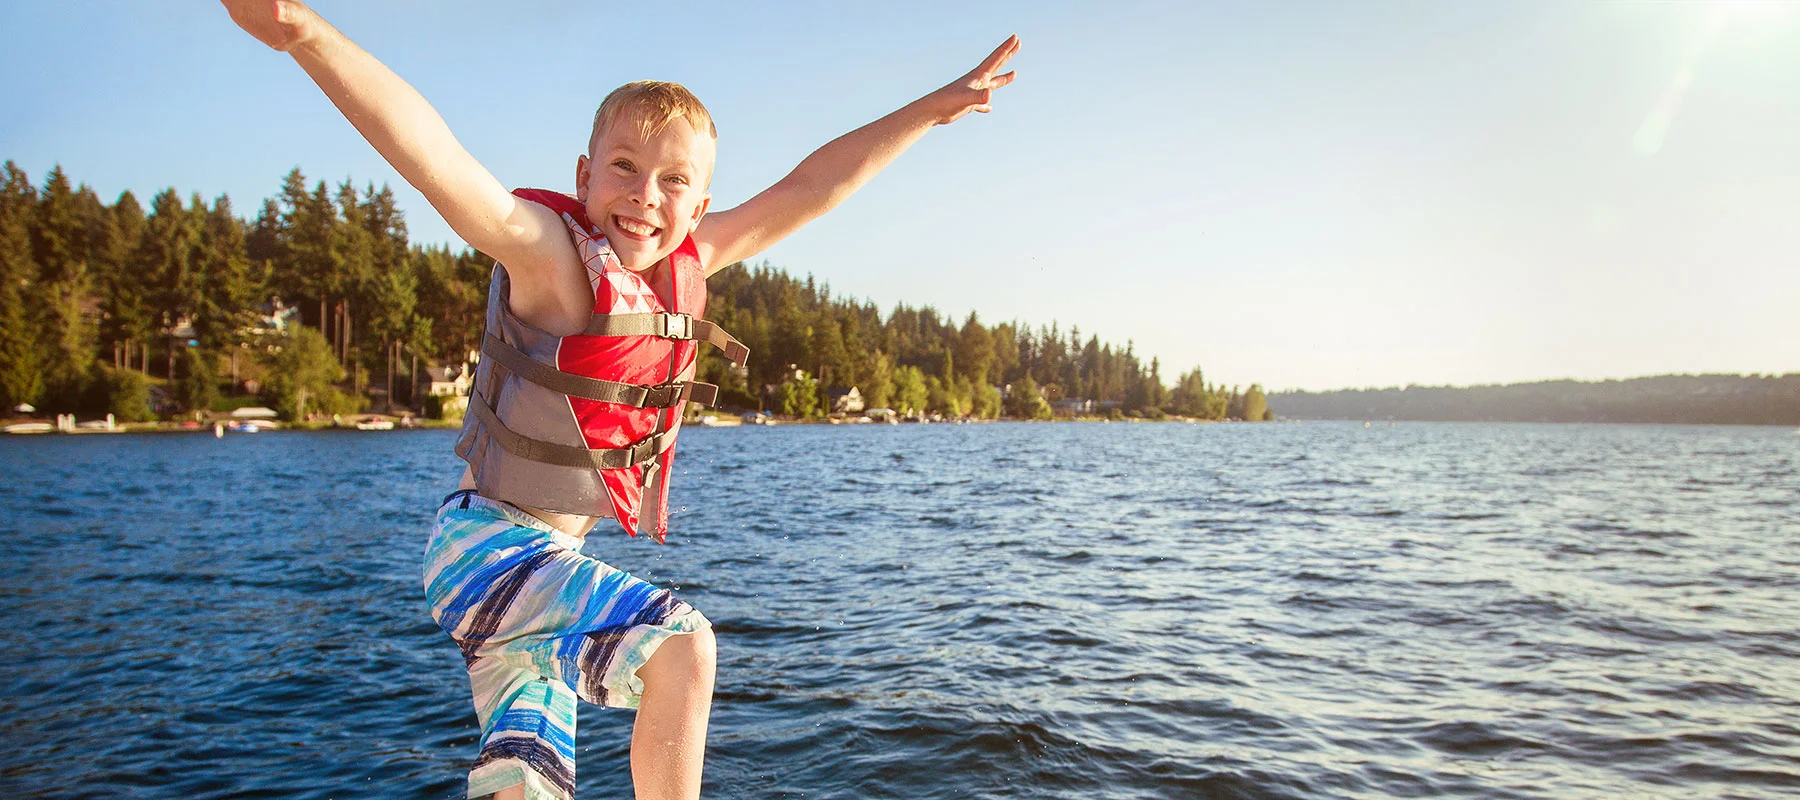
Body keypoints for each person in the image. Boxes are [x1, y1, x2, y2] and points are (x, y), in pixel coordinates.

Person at [221, 2, 1017, 798]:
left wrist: (934, 108)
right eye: (624, 168)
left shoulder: (687, 261)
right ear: (583, 177)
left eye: (675, 180)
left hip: (530, 570)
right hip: (490, 552)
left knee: (525, 784)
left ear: (698, 208)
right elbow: (440, 161)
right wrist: (306, 34)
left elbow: (814, 186)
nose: (645, 195)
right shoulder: (552, 264)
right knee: (684, 648)